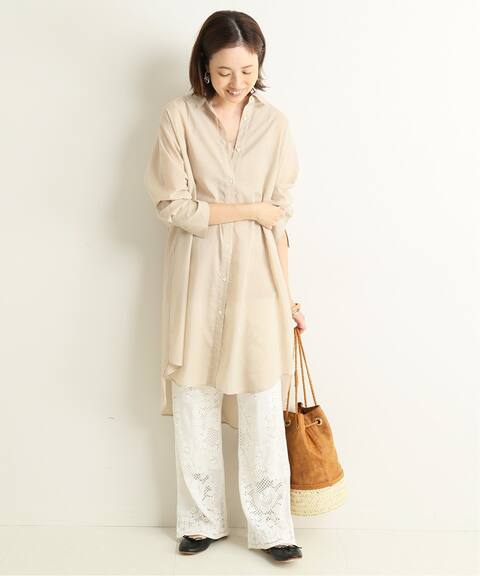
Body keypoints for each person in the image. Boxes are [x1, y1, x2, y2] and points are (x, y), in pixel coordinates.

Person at [143, 10, 306, 563]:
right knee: (195, 395)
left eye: (247, 70)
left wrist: (289, 297)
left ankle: (272, 527)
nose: (236, 82)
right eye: (223, 71)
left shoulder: (274, 125)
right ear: (204, 66)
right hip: (195, 274)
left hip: (260, 276)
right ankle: (200, 521)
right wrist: (250, 209)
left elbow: (278, 220)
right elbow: (173, 205)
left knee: (261, 400)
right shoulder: (178, 117)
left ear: (260, 64)